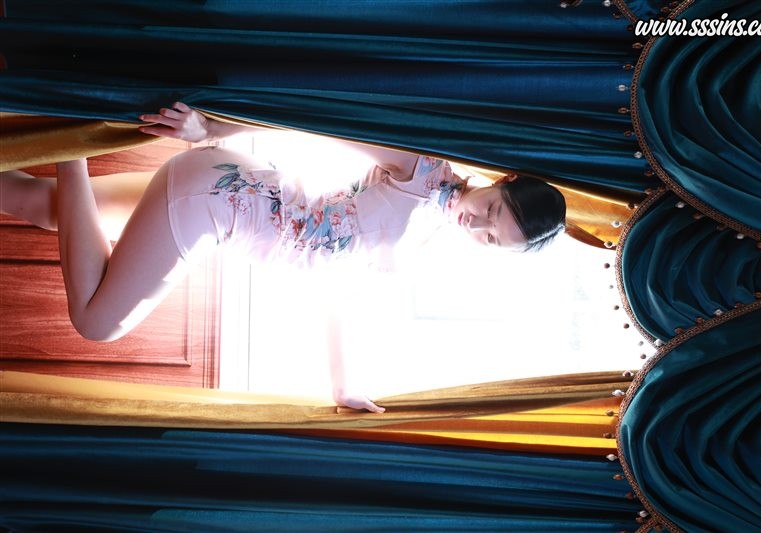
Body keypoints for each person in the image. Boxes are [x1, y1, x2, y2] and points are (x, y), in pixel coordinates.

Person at [1, 103, 566, 412]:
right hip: (223, 202)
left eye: (492, 238)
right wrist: (209, 128)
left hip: (226, 197)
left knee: (49, 209)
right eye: (491, 210)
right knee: (98, 322)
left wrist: (342, 386)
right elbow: (317, 118)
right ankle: (69, 124)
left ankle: (66, 132)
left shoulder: (425, 232)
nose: (477, 225)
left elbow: (339, 292)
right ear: (502, 181)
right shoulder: (423, 169)